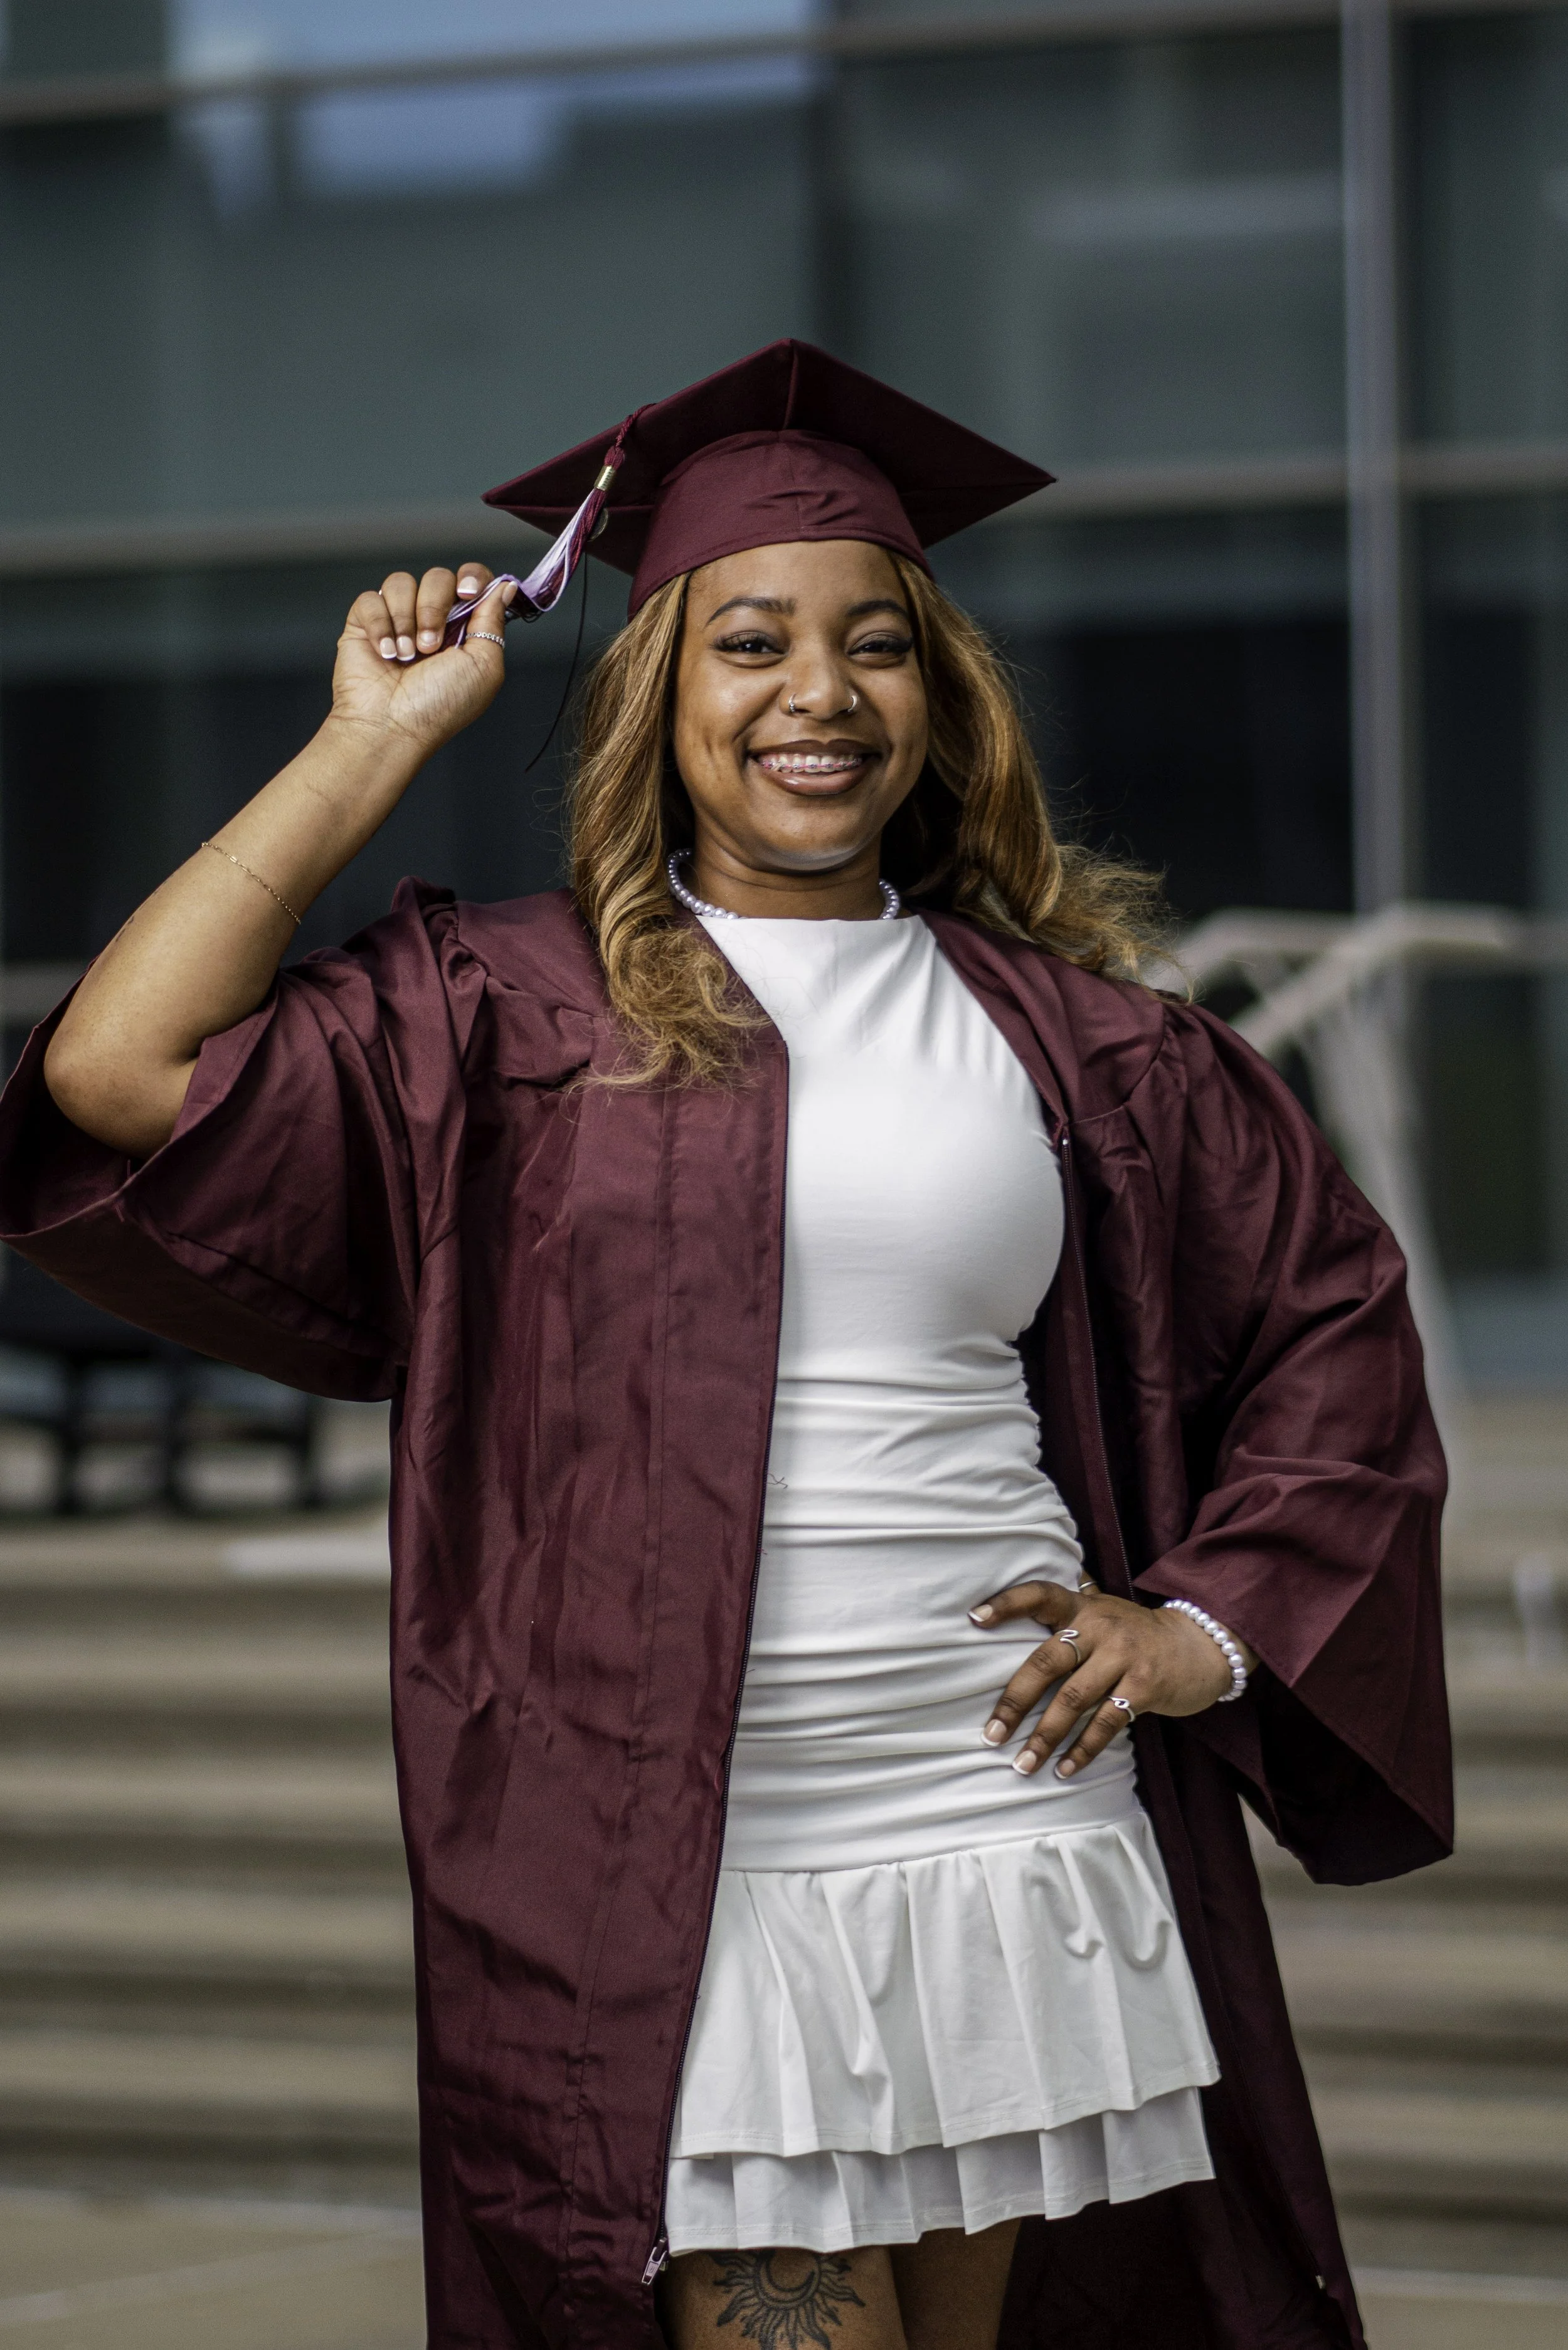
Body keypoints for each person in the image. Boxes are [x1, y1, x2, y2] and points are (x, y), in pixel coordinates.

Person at [0, 341, 1449, 2350]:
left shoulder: (1088, 1044)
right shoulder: (499, 1011)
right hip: (667, 1847)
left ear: (934, 702)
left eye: (873, 646)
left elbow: (1330, 1335)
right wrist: (370, 741)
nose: (816, 695)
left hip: (996, 1803)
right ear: (660, 692)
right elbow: (114, 1070)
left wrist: (1196, 1626)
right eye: (749, 641)